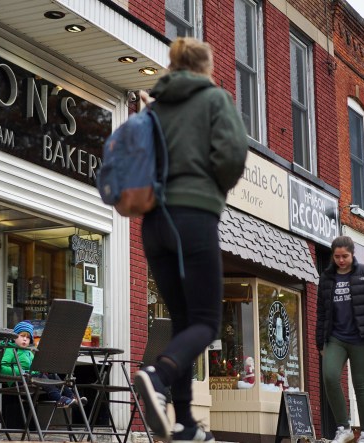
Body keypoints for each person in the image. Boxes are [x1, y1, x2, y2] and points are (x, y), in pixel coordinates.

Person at [132, 37, 248, 443]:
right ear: (206, 65)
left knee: (183, 321)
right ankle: (157, 375)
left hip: (153, 223)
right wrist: (211, 188)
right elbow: (233, 155)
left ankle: (184, 423)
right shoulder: (215, 99)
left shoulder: (156, 104)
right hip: (193, 219)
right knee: (206, 321)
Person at [316, 235, 364, 443]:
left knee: (361, 385)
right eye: (337, 256)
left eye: (345, 256)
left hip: (361, 338)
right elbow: (321, 312)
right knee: (329, 376)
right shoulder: (327, 278)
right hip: (335, 337)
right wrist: (320, 341)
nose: (341, 260)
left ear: (352, 254)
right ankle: (343, 427)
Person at [0, 321, 81, 408]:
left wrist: (40, 369)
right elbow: (1, 368)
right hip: (17, 381)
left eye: (28, 337)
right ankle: (60, 399)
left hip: (30, 379)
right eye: (22, 335)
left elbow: (35, 367)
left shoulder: (29, 351)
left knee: (53, 376)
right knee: (40, 376)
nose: (25, 339)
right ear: (14, 337)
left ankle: (73, 398)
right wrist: (23, 372)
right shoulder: (9, 349)